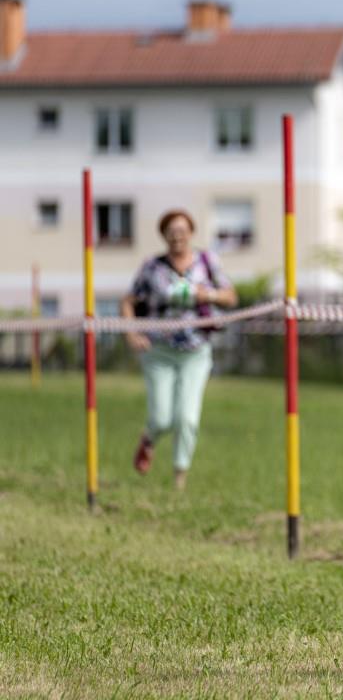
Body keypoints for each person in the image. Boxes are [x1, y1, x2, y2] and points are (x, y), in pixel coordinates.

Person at [120, 209, 237, 491]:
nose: (177, 236)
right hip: (158, 351)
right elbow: (128, 301)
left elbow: (231, 297)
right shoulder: (152, 267)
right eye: (171, 231)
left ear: (191, 233)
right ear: (164, 235)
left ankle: (179, 480)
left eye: (182, 230)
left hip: (196, 352)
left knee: (187, 418)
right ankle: (149, 439)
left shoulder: (207, 262)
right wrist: (131, 333)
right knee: (162, 418)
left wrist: (207, 294)